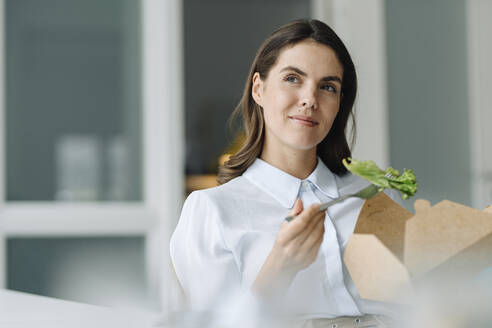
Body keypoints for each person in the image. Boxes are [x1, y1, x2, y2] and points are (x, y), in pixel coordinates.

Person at [170, 19, 404, 327]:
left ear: (338, 104)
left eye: (328, 87)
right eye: (293, 78)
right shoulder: (211, 212)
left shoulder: (375, 197)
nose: (310, 99)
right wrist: (281, 265)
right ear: (259, 89)